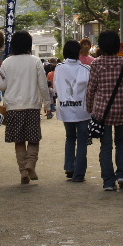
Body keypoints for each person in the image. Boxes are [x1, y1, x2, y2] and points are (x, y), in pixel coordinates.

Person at [86, 29, 123, 191]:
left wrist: (90, 108)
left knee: (106, 146)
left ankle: (109, 181)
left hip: (103, 112)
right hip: (122, 111)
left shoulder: (96, 64)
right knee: (121, 142)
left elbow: (91, 89)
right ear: (118, 46)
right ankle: (122, 175)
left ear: (101, 47)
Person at [0, 30, 51, 184]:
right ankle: (30, 165)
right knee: (33, 139)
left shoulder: (7, 62)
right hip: (32, 106)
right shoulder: (35, 61)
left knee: (18, 140)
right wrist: (47, 104)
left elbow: (2, 86)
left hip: (13, 107)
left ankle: (22, 171)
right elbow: (43, 85)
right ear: (29, 44)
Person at [54, 40, 91, 182]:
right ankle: (79, 173)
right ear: (79, 52)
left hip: (65, 108)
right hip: (82, 110)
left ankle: (69, 166)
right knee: (82, 141)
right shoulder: (86, 69)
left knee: (70, 137)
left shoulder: (59, 68)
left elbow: (57, 87)